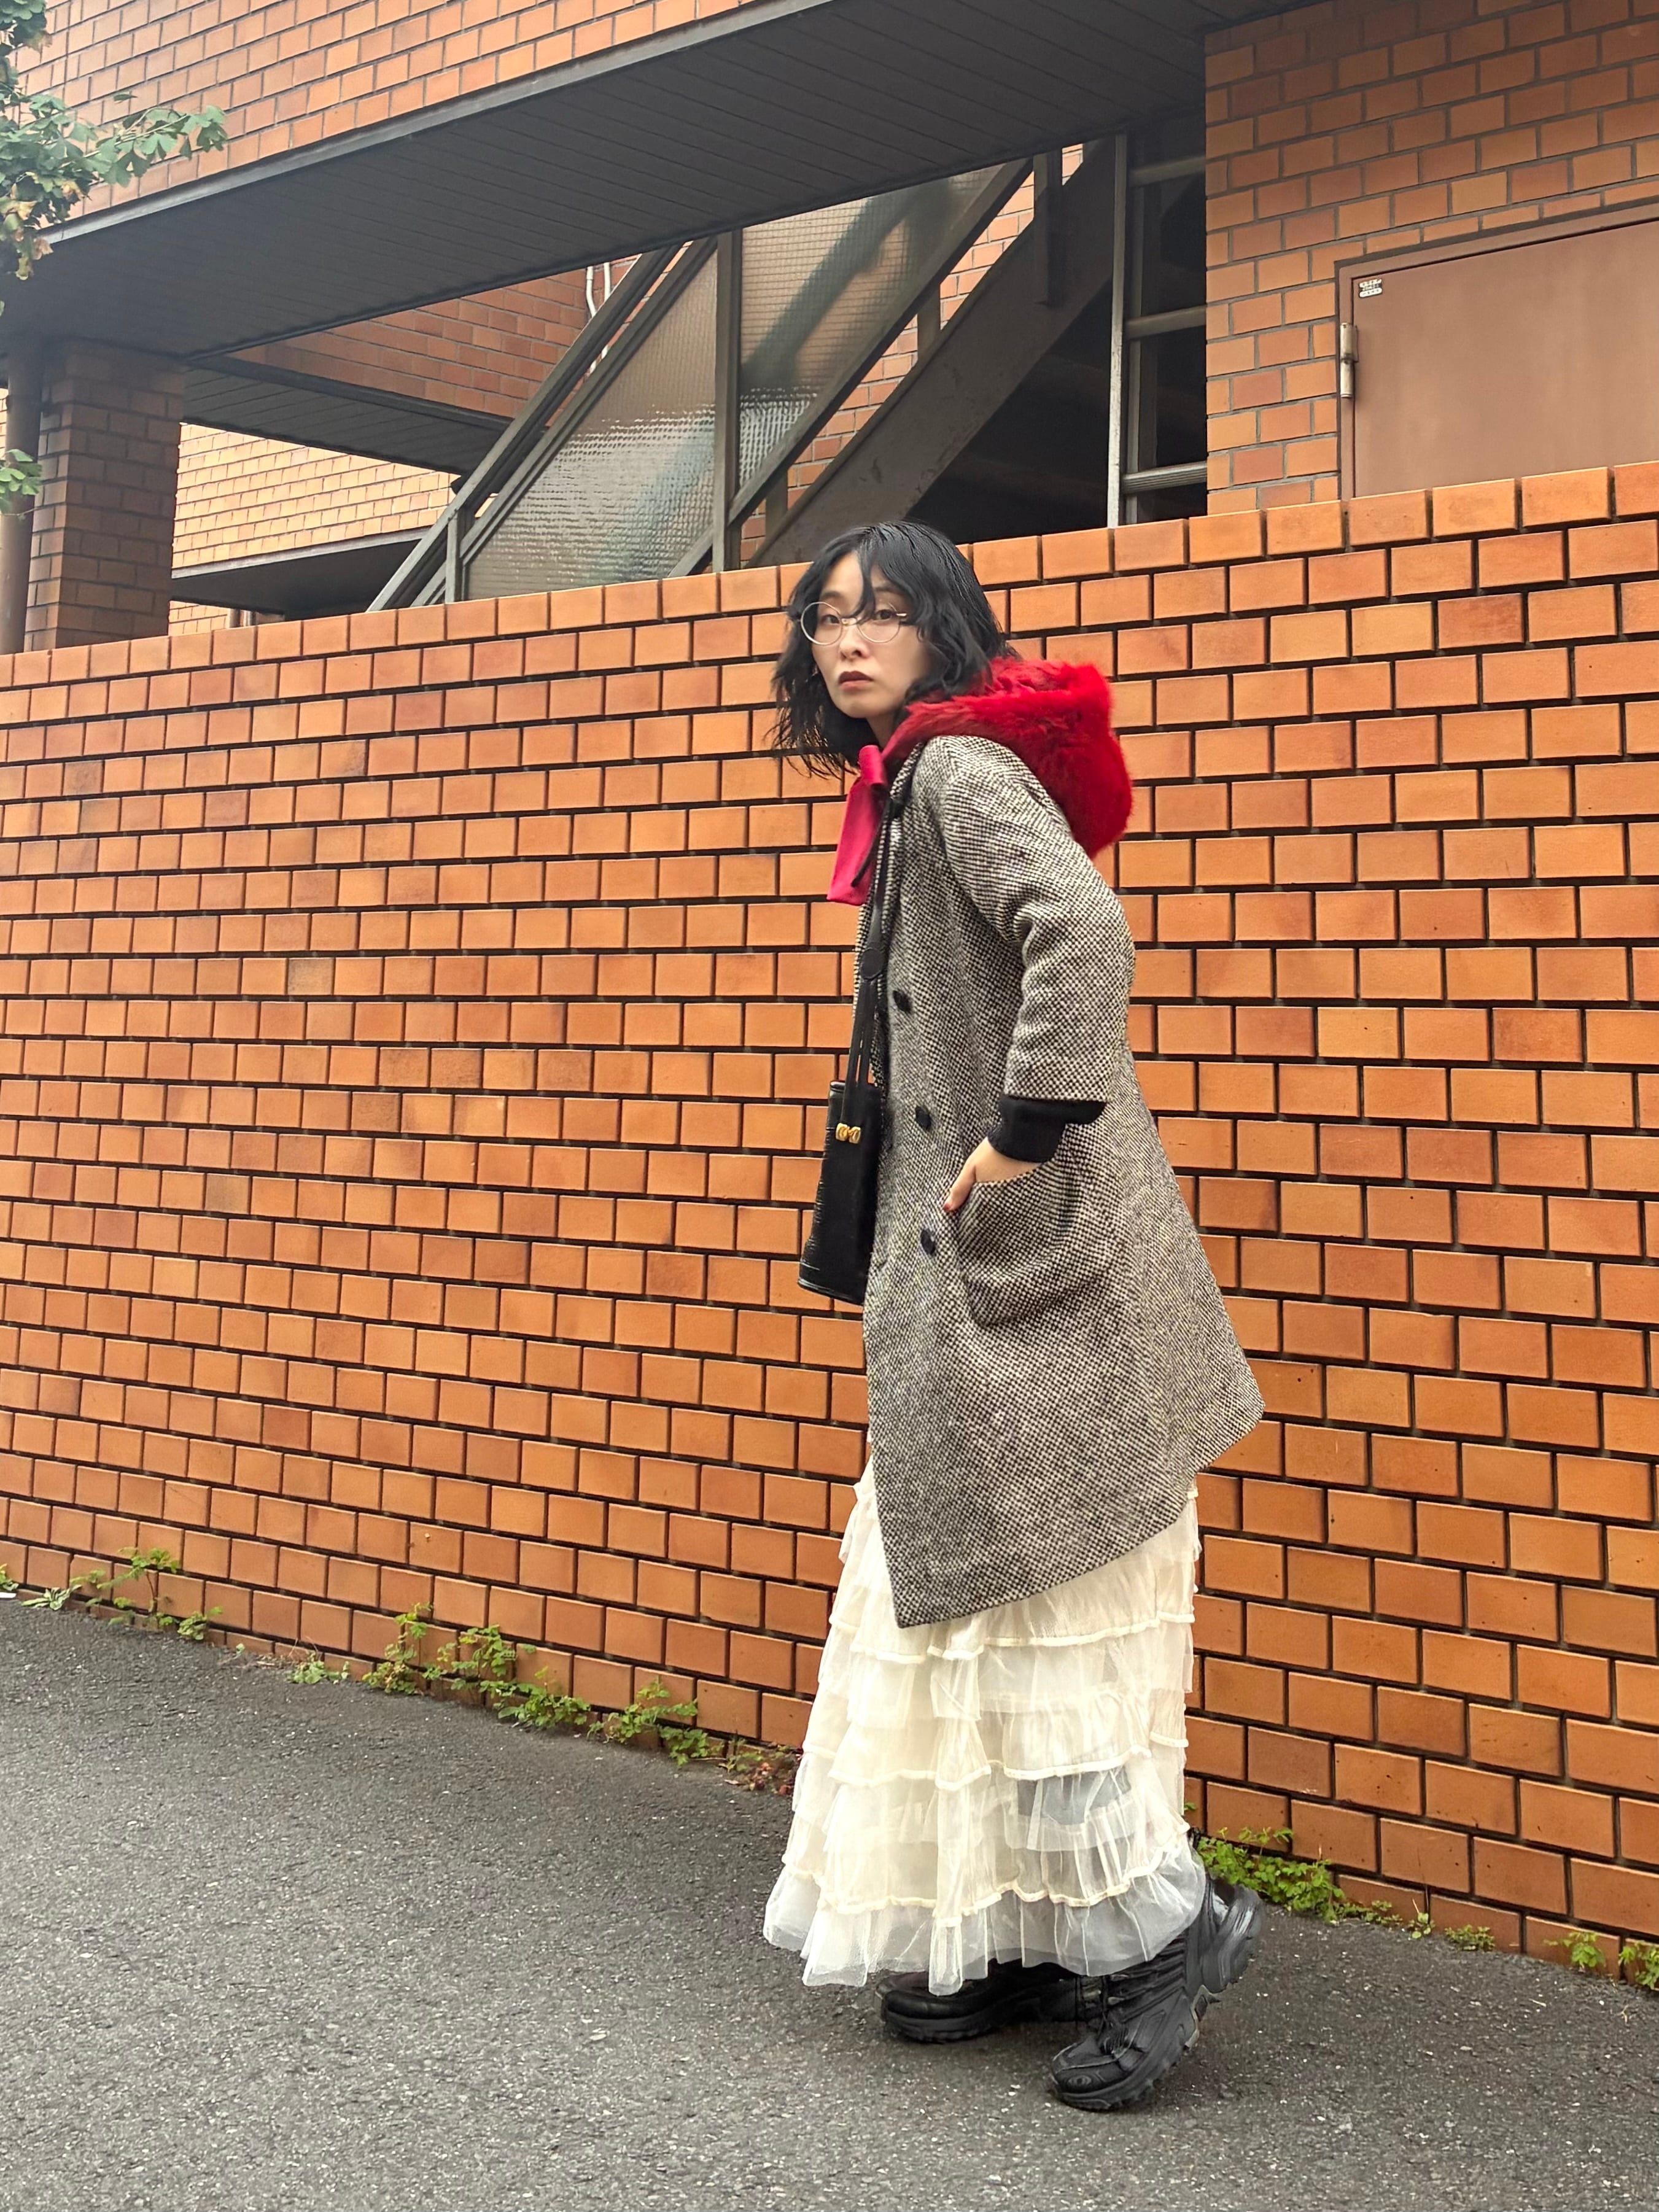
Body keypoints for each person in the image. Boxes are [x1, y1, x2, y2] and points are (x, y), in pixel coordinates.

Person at [760, 520, 1267, 2111]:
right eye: (827, 617)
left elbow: (1084, 930)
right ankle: (1030, 1936)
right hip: (980, 1277)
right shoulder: (913, 779)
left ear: (943, 629)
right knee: (968, 1605)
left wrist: (1024, 1132)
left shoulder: (961, 773)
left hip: (1029, 1275)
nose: (850, 641)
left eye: (883, 614)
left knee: (1027, 1611)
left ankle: (1163, 1932)